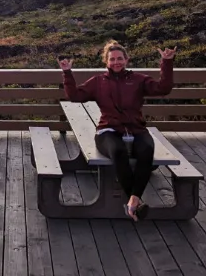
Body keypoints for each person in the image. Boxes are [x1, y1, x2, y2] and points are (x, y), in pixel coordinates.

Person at [58, 41, 177, 221]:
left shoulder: (138, 80)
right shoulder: (98, 82)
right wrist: (67, 72)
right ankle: (136, 201)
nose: (116, 62)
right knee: (118, 152)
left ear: (127, 59)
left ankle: (133, 201)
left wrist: (167, 62)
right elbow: (74, 96)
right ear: (106, 61)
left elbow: (164, 88)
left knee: (146, 151)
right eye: (112, 59)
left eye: (119, 58)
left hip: (136, 129)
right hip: (108, 130)